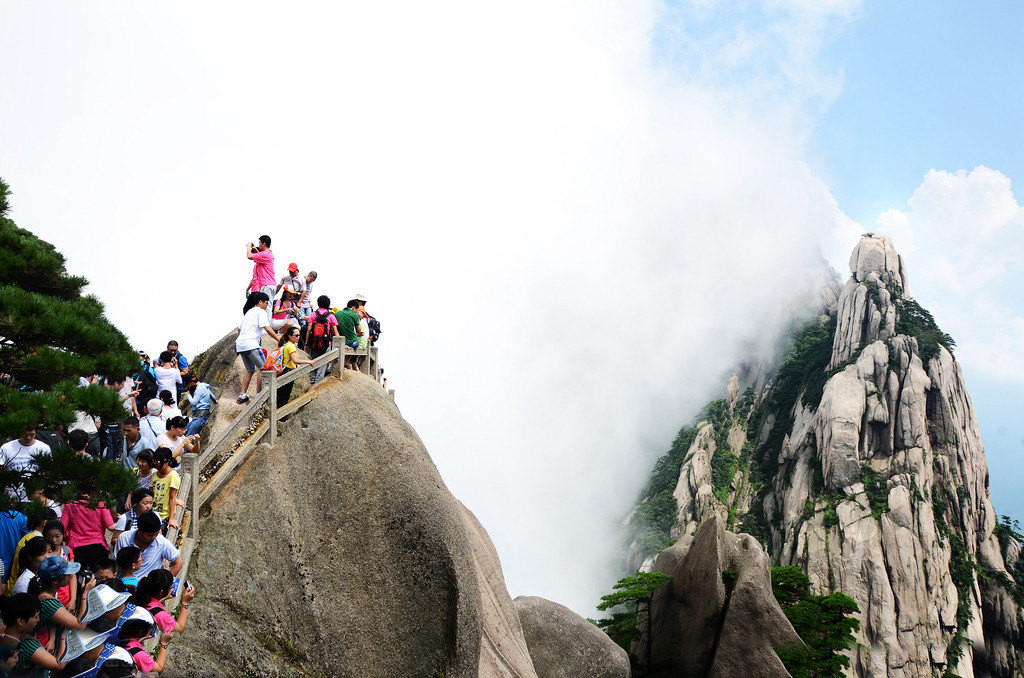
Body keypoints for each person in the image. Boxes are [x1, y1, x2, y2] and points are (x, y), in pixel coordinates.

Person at [0, 593, 67, 675]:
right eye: (36, 617)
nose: (38, 620)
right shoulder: (26, 646)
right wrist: (64, 637)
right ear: (20, 621)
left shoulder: (5, 638)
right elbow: (59, 665)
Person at [235, 292, 280, 403]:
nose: (267, 305)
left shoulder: (249, 312)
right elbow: (268, 329)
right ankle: (258, 395)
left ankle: (242, 394)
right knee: (264, 368)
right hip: (251, 344)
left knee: (250, 370)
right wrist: (279, 339)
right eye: (266, 303)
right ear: (260, 302)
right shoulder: (260, 312)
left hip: (240, 345)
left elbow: (239, 329)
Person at [113, 512, 181, 579]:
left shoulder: (161, 542)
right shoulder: (124, 538)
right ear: (140, 531)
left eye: (156, 534)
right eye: (150, 535)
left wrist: (165, 584)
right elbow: (117, 563)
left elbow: (178, 563)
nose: (154, 537)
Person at [60, 490, 115, 571]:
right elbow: (111, 526)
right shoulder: (100, 504)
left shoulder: (70, 505)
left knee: (77, 577)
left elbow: (62, 527)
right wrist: (122, 520)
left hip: (76, 547)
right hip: (98, 546)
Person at [133, 569, 193, 635]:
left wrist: (164, 597)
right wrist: (185, 602)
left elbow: (150, 606)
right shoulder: (161, 615)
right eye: (170, 586)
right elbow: (180, 628)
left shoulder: (137, 595)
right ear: (161, 592)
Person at [0, 428, 50, 499]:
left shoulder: (43, 448)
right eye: (25, 435)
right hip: (12, 494)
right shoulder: (7, 448)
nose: (28, 438)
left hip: (34, 495)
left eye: (32, 435)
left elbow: (47, 470)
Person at [305, 295, 339, 385]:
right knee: (322, 366)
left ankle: (312, 383)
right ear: (328, 305)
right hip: (325, 343)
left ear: (318, 304)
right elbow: (335, 331)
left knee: (312, 363)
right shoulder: (331, 316)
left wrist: (306, 343)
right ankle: (317, 385)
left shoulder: (313, 314)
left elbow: (309, 329)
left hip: (313, 343)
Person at [276, 327, 315, 405]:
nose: (298, 337)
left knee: (281, 396)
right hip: (288, 372)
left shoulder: (286, 344)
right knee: (284, 397)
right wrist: (308, 361)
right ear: (290, 336)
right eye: (296, 335)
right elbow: (295, 360)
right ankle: (279, 415)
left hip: (284, 372)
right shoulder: (291, 346)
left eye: (299, 335)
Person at [149, 450, 181, 532]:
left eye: (159, 461)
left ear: (167, 462)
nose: (157, 464)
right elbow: (151, 493)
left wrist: (171, 519)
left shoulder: (173, 476)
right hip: (154, 513)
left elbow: (172, 497)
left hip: (165, 516)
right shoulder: (154, 475)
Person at [334, 299, 364, 370]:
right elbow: (359, 331)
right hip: (351, 343)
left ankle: (345, 362)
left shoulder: (336, 314)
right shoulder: (354, 315)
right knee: (356, 343)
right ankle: (347, 361)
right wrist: (358, 318)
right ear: (353, 308)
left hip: (340, 342)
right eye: (356, 310)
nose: (356, 312)